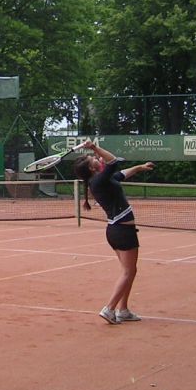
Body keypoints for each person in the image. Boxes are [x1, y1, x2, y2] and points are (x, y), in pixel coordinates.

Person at [73, 139, 154, 325]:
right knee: (128, 272)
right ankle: (109, 308)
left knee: (130, 271)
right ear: (92, 168)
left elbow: (122, 173)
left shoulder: (104, 180)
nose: (95, 157)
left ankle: (123, 310)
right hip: (122, 231)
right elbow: (113, 161)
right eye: (91, 158)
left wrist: (140, 167)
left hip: (116, 230)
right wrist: (94, 147)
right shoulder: (99, 180)